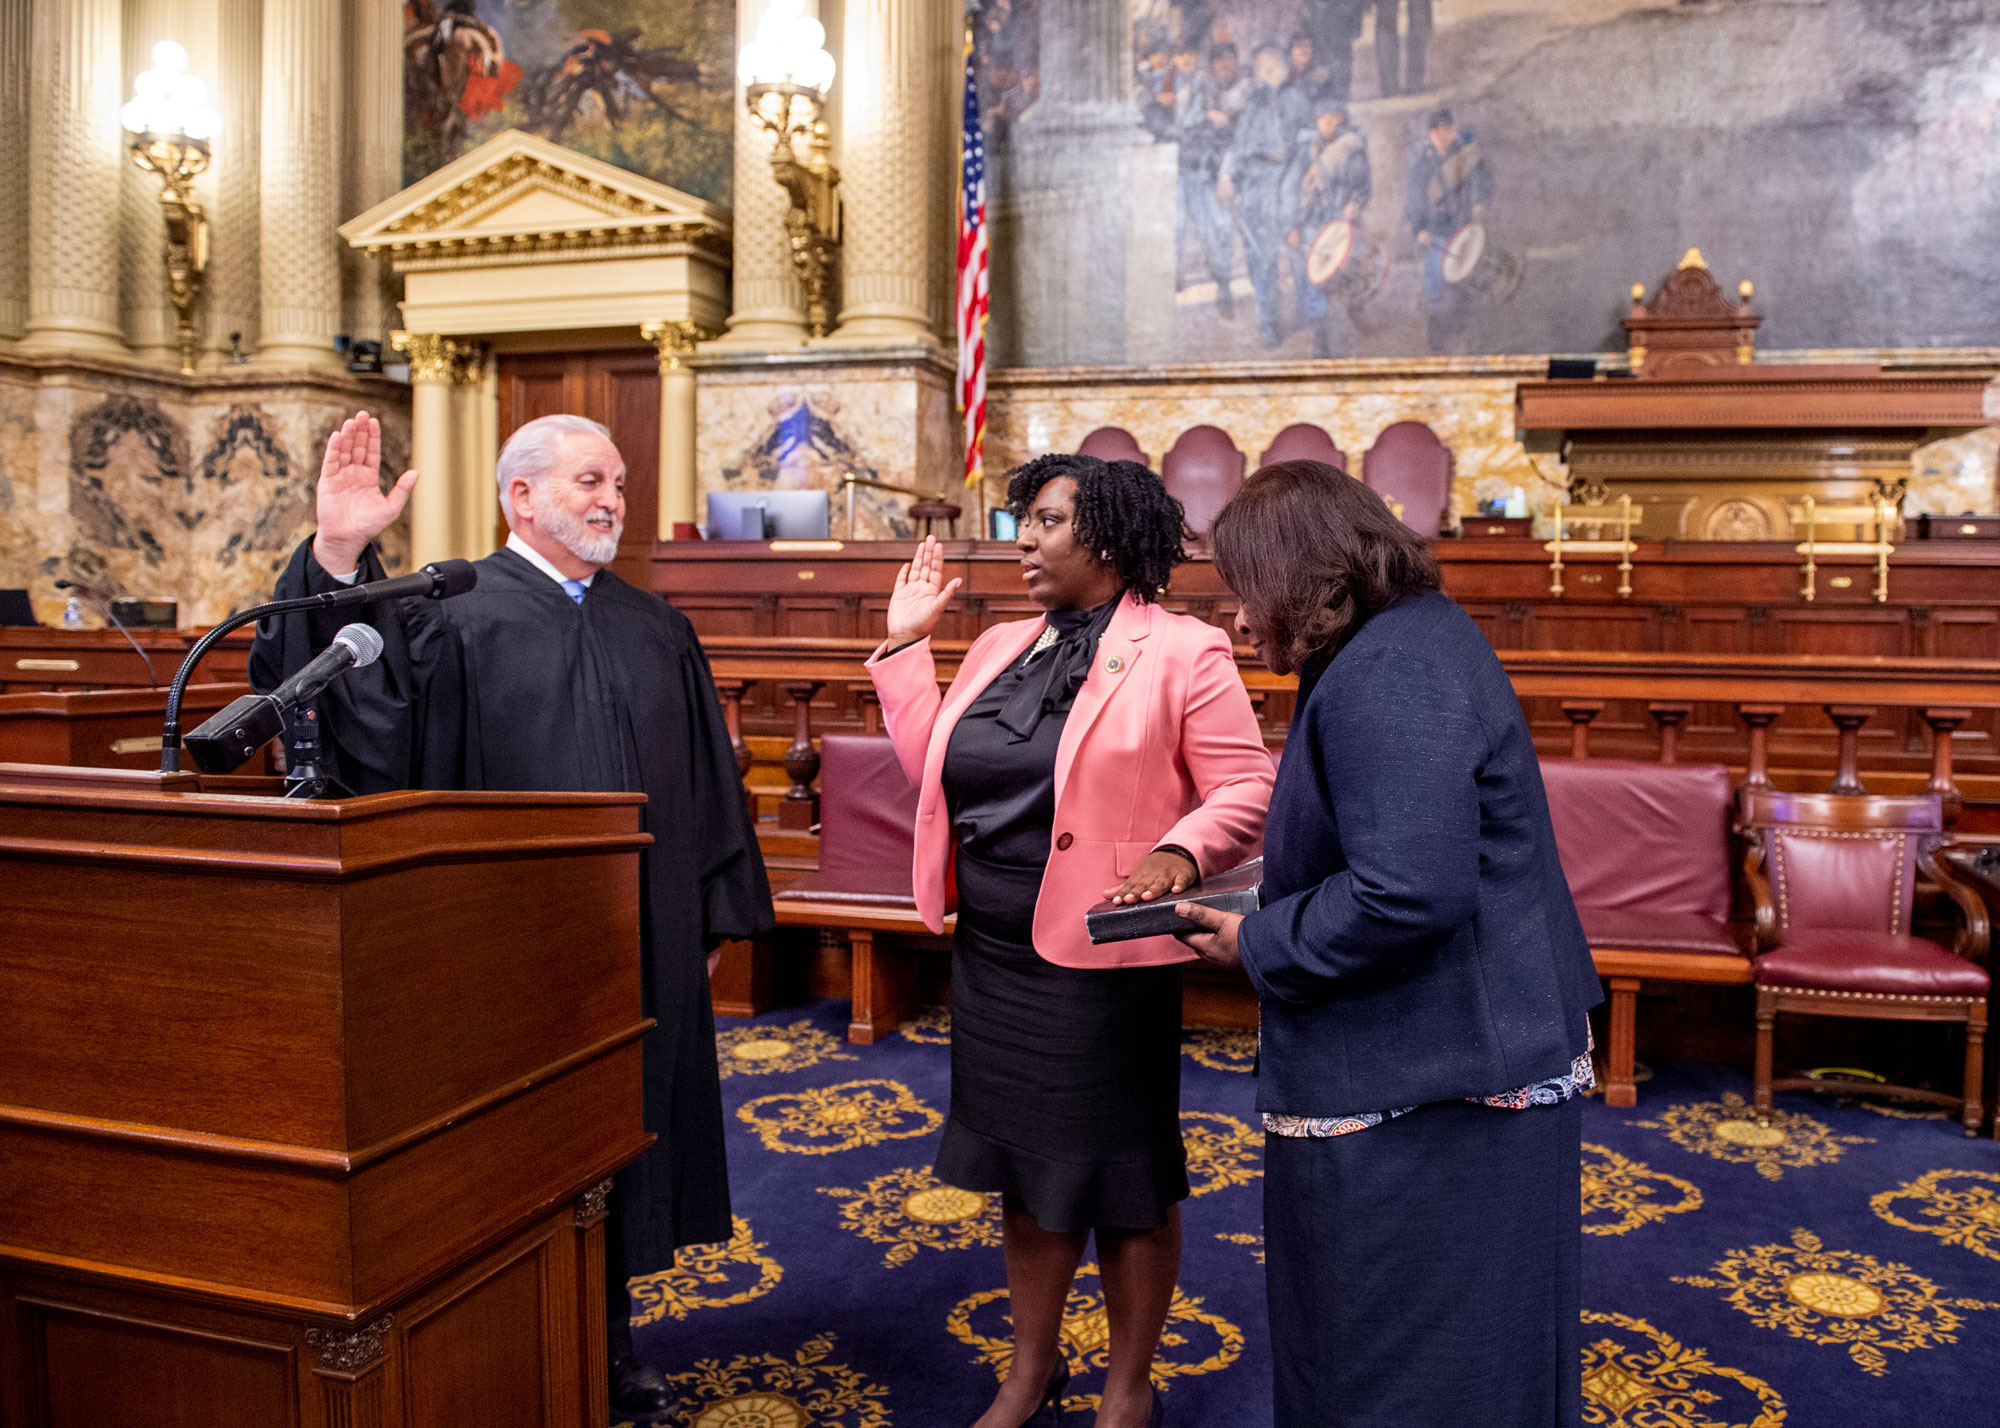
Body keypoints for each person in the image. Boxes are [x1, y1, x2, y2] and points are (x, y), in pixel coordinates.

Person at [249, 412, 773, 1419]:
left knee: (624, 1137)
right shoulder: (444, 610)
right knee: (507, 1153)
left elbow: (708, 778)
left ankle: (609, 1347)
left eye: (617, 481)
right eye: (587, 479)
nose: (610, 499)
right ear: (519, 496)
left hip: (639, 943)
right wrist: (338, 552)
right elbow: (343, 718)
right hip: (502, 944)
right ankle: (511, 1347)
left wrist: (707, 915)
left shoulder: (652, 625)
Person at [1176, 460, 1600, 1425]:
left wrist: (1256, 941)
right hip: (1452, 1050)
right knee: (1474, 1343)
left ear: (1302, 576)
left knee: (1393, 1354)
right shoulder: (1404, 643)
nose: (1240, 622)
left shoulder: (1388, 670)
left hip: (1427, 1075)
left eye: (1247, 594)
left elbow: (1405, 894)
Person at [868, 455, 1273, 1428]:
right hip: (995, 950)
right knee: (1026, 1171)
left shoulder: (1183, 651)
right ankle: (1029, 1369)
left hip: (1103, 960)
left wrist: (1180, 851)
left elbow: (1246, 789)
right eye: (1022, 520)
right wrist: (901, 650)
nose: (1022, 539)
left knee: (1123, 1181)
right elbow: (935, 766)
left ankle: (1126, 1389)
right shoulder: (1000, 645)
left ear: (1105, 538)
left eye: (1044, 522)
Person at [1218, 46, 1311, 348]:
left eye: (1274, 64)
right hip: (1257, 184)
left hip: (1289, 178)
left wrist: (1293, 184)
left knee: (1298, 248)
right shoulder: (1250, 104)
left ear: (1284, 67)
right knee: (1261, 257)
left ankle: (1306, 309)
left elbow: (1308, 144)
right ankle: (1268, 322)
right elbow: (1237, 144)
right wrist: (1227, 175)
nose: (1268, 70)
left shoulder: (1297, 98)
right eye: (1262, 66)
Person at [1286, 95, 1372, 357]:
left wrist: (1356, 203)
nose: (1328, 122)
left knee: (1352, 271)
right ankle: (1321, 334)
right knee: (1315, 276)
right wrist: (1293, 225)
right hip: (1313, 222)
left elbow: (1364, 185)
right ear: (1316, 121)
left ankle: (1356, 313)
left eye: (1333, 118)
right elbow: (1291, 190)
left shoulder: (1352, 149)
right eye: (1323, 118)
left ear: (1340, 120)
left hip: (1342, 221)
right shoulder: (1305, 152)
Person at [1405, 106, 1494, 354]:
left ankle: (1463, 338)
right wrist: (1420, 228)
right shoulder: (1422, 164)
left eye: (1447, 130)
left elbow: (1486, 181)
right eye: (1437, 131)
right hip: (1435, 232)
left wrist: (1480, 202)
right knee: (1436, 286)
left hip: (1462, 228)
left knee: (1463, 280)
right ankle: (1437, 344)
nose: (1443, 135)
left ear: (1454, 131)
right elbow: (1414, 200)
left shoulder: (1467, 156)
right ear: (1430, 134)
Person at [1177, 41, 1248, 318]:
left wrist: (1227, 173)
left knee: (1221, 229)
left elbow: (1241, 137)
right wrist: (1206, 114)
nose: (1224, 65)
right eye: (1219, 61)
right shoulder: (1201, 87)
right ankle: (1217, 281)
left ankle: (1223, 285)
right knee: (1202, 230)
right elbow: (1185, 122)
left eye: (1229, 59)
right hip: (1198, 169)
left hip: (1225, 170)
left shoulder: (1245, 90)